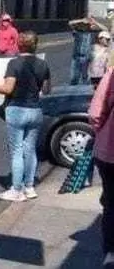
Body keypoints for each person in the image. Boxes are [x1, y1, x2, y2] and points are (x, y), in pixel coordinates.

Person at [0, 31, 51, 202]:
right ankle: (29, 187)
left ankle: (16, 189)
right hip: (35, 110)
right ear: (36, 45)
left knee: (16, 150)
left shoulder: (14, 63)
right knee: (30, 149)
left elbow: (8, 88)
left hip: (17, 108)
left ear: (19, 44)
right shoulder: (43, 64)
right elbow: (47, 90)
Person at [87, 67, 114, 267]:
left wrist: (102, 131)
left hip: (110, 150)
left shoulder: (112, 74)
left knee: (111, 203)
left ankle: (111, 252)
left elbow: (96, 113)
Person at [69, 16, 104, 85]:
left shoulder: (93, 33)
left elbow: (105, 29)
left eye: (88, 25)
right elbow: (70, 23)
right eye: (85, 25)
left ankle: (85, 94)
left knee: (86, 80)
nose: (86, 26)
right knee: (73, 78)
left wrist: (95, 22)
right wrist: (82, 20)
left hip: (88, 59)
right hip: (76, 57)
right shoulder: (77, 31)